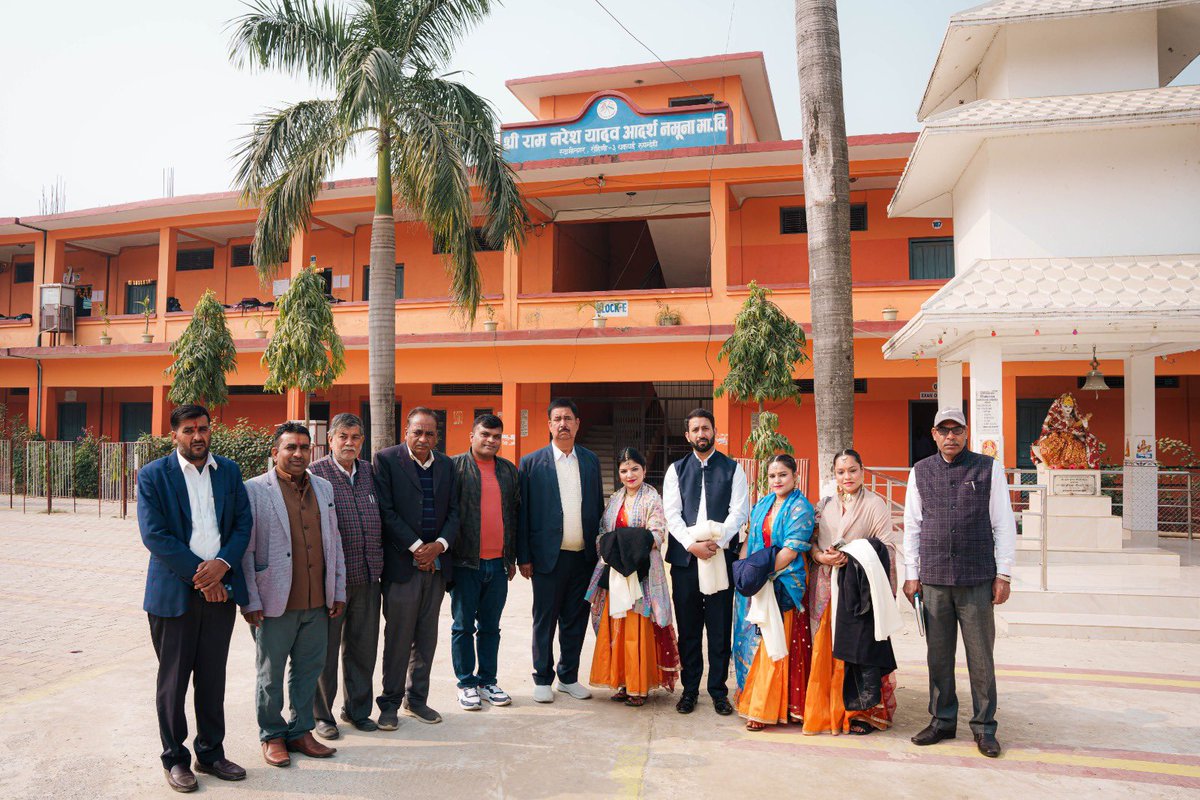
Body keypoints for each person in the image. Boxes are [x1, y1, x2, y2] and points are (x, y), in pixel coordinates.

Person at [138, 404, 252, 792]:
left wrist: (221, 564)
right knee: (173, 681)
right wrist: (204, 577)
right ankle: (175, 758)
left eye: (203, 428)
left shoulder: (230, 472)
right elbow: (155, 536)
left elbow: (242, 525)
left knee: (212, 678)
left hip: (221, 591)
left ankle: (211, 753)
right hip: (174, 595)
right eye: (189, 430)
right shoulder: (155, 475)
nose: (198, 436)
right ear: (175, 435)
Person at [903, 408, 1016, 758]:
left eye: (957, 430)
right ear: (934, 434)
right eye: (943, 430)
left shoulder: (988, 468)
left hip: (977, 577)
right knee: (938, 656)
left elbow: (1003, 523)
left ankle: (984, 727)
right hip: (934, 577)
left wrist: (1004, 574)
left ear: (966, 433)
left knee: (981, 656)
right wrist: (911, 573)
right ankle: (942, 721)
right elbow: (913, 525)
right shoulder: (920, 471)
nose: (950, 436)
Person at [241, 422, 346, 767]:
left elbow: (335, 543)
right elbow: (245, 550)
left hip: (317, 600)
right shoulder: (255, 490)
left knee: (308, 670)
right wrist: (251, 600)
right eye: (290, 447)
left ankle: (301, 731)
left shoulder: (325, 488)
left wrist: (338, 590)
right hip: (275, 602)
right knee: (270, 674)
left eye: (304, 447)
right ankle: (271, 734)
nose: (298, 453)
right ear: (275, 452)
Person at [803, 449, 901, 736]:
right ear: (834, 474)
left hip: (859, 590)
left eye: (853, 470)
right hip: (826, 585)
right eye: (841, 472)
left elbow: (888, 548)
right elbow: (810, 543)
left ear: (862, 471)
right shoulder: (823, 506)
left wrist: (854, 556)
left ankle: (861, 712)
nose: (847, 476)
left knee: (860, 648)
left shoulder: (875, 504)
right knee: (825, 646)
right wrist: (822, 558)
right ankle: (826, 707)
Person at [373, 407, 459, 727]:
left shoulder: (447, 466)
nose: (423, 439)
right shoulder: (385, 460)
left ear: (437, 436)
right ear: (405, 432)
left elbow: (455, 512)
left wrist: (439, 546)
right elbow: (386, 510)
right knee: (398, 637)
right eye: (417, 432)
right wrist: (415, 547)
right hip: (402, 565)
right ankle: (389, 703)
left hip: (435, 566)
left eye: (430, 433)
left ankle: (417, 700)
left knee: (426, 637)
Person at [662, 408, 750, 716]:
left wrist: (718, 541)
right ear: (687, 435)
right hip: (686, 561)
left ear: (714, 432)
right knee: (688, 629)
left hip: (720, 557)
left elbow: (739, 511)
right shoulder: (676, 470)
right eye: (696, 429)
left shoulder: (732, 469)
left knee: (718, 627)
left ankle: (718, 690)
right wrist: (691, 545)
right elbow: (671, 514)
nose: (702, 434)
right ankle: (689, 690)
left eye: (706, 428)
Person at [517, 398, 604, 703]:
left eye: (568, 418)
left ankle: (568, 676)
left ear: (578, 423)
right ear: (549, 425)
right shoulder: (531, 463)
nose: (563, 424)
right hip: (546, 559)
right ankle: (542, 677)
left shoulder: (590, 461)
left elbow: (597, 507)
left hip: (582, 557)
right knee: (545, 619)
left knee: (575, 619)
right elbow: (523, 514)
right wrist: (524, 557)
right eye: (557, 419)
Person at [308, 413, 383, 739]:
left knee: (363, 648)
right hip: (332, 582)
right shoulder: (315, 474)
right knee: (324, 652)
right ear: (331, 440)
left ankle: (357, 710)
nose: (349, 443)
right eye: (343, 437)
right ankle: (322, 716)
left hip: (369, 576)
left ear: (362, 441)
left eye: (355, 437)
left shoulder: (370, 472)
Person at [585, 447, 680, 706]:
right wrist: (613, 548)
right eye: (624, 470)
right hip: (617, 573)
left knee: (638, 628)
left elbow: (657, 534)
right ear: (618, 474)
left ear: (644, 470)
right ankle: (623, 681)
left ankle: (639, 686)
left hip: (642, 572)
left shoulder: (652, 498)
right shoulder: (615, 499)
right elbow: (603, 533)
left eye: (634, 469)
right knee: (618, 624)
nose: (630, 475)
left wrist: (625, 545)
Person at [733, 454, 814, 731]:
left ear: (795, 477)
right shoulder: (762, 505)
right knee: (752, 640)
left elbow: (791, 551)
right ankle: (751, 696)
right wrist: (744, 572)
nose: (777, 480)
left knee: (773, 643)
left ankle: (764, 707)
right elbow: (749, 542)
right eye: (772, 476)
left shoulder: (801, 507)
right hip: (757, 580)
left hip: (782, 583)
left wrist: (762, 576)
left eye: (783, 475)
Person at [450, 413, 520, 711]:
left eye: (496, 436)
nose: (491, 441)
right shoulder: (454, 467)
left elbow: (514, 514)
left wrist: (512, 557)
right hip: (466, 563)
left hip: (498, 564)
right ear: (472, 436)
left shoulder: (507, 470)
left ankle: (487, 681)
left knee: (491, 626)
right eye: (485, 435)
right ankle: (466, 684)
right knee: (463, 626)